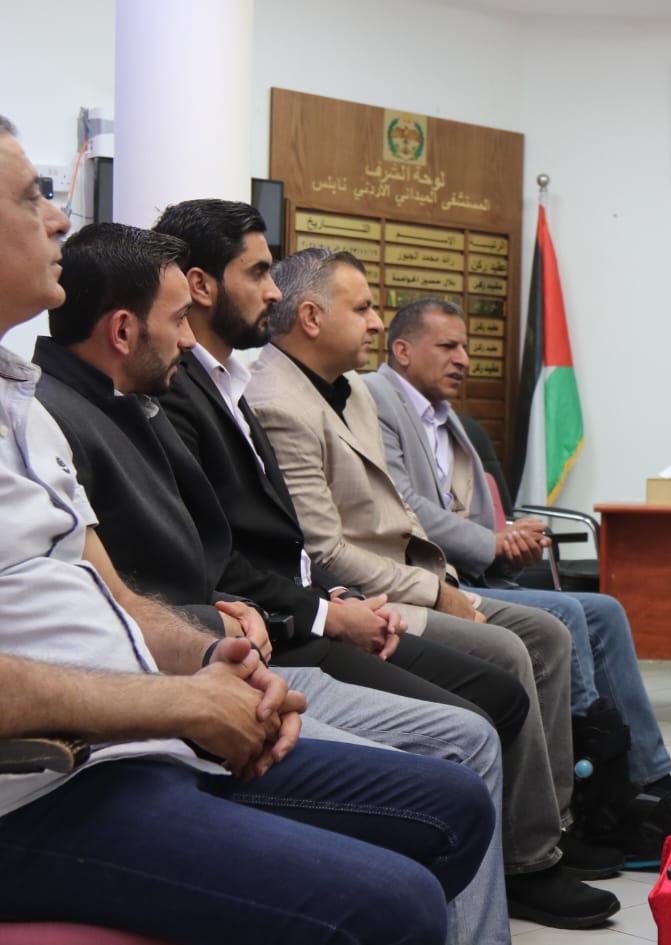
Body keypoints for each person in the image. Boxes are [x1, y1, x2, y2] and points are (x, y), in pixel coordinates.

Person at [0, 113, 495, 945]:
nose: (57, 217)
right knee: (398, 901)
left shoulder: (22, 405)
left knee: (455, 806)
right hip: (44, 786)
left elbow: (112, 594)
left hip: (138, 736)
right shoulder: (65, 402)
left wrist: (212, 661)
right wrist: (182, 701)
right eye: (29, 197)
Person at [151, 202, 621, 928]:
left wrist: (374, 593)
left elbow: (365, 523)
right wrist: (345, 606)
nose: (273, 292)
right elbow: (281, 550)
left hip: (339, 595)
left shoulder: (279, 387)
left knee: (555, 635)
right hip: (300, 618)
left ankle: (559, 828)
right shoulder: (251, 395)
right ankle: (526, 857)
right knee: (500, 676)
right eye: (259, 273)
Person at [365, 297, 671, 863]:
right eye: (448, 346)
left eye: (466, 347)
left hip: (471, 570)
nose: (464, 359)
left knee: (605, 609)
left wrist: (508, 544)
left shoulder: (449, 420)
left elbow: (469, 520)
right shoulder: (375, 400)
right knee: (563, 614)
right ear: (402, 350)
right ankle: (591, 790)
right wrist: (491, 543)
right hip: (421, 580)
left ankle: (650, 776)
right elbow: (405, 507)